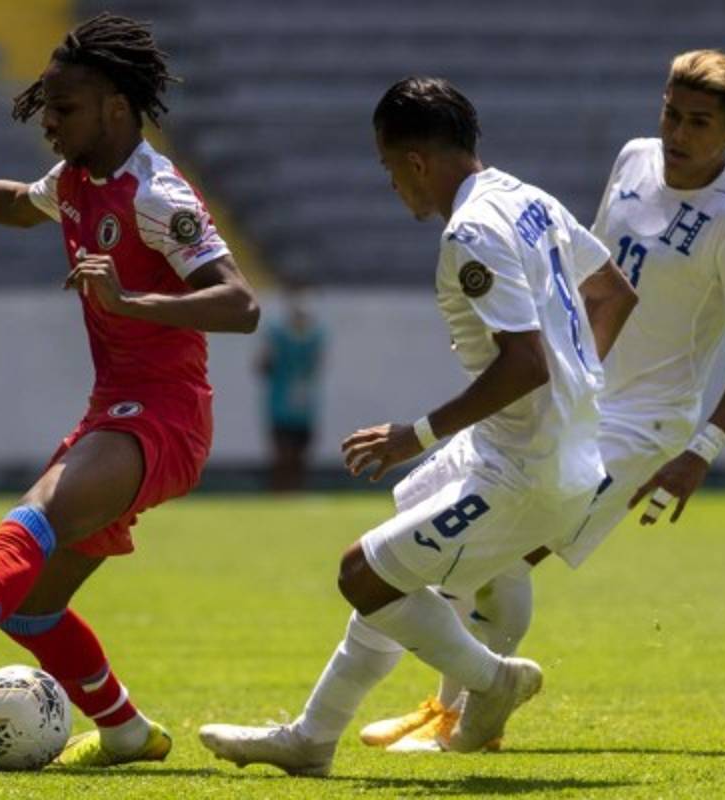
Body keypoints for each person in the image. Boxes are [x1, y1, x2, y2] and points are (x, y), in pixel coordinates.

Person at [0, 12, 259, 768]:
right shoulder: (74, 181)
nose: (49, 123)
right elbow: (16, 203)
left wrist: (132, 302)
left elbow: (241, 303)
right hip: (116, 411)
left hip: (164, 416)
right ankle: (127, 732)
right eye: (46, 108)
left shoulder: (158, 194)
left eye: (63, 108)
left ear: (115, 108)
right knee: (31, 608)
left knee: (29, 523)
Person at [197, 77, 636, 776]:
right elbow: (615, 292)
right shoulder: (529, 199)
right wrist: (577, 391)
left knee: (362, 575)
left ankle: (492, 682)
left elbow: (525, 364)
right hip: (536, 447)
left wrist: (417, 435)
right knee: (392, 563)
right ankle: (312, 738)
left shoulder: (470, 233)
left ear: (416, 161)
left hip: (528, 468)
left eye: (388, 167)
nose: (392, 184)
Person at [362, 49, 725, 754]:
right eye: (671, 114)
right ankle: (453, 709)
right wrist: (568, 366)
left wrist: (699, 453)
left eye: (699, 123)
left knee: (501, 551)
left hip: (644, 423)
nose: (677, 135)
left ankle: (462, 716)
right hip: (580, 395)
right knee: (478, 546)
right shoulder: (634, 160)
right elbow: (597, 274)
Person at [258, 286, 326, 491]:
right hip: (280, 406)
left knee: (301, 455)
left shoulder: (315, 337)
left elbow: (317, 365)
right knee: (282, 454)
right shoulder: (277, 336)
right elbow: (263, 366)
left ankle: (296, 492)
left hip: (303, 407)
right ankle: (280, 491)